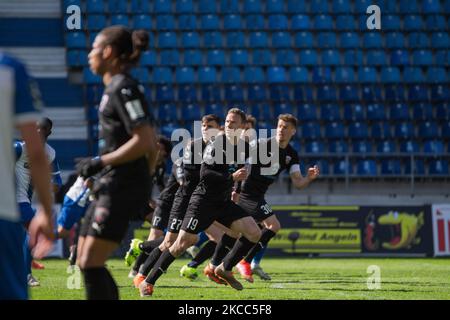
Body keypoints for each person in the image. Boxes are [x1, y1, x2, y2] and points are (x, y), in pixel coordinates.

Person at [138, 107, 262, 296]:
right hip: (203, 201)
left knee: (254, 232)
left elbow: (242, 169)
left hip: (222, 202)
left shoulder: (244, 147)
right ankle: (148, 281)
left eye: (233, 122)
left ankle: (224, 268)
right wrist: (232, 179)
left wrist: (237, 186)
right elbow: (206, 173)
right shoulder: (216, 142)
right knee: (180, 244)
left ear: (243, 126)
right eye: (227, 121)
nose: (228, 125)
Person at [75, 26, 157, 300]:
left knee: (90, 261)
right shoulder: (113, 87)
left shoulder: (124, 87)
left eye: (94, 48)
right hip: (112, 182)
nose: (89, 55)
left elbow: (145, 140)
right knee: (84, 260)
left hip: (121, 185)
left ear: (108, 52)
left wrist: (100, 162)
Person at [133, 114, 225, 287]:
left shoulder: (220, 149)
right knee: (169, 242)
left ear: (218, 129)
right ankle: (141, 273)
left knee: (215, 237)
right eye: (203, 125)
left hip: (202, 202)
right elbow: (195, 177)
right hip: (184, 201)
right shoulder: (193, 146)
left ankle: (207, 267)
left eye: (210, 125)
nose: (205, 128)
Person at [233, 114, 320, 282]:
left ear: (293, 131)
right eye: (279, 126)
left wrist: (309, 178)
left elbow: (298, 183)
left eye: (286, 127)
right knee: (272, 225)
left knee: (244, 233)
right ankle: (244, 261)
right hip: (247, 193)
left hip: (258, 195)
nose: (281, 129)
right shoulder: (262, 145)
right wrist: (235, 189)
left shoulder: (291, 155)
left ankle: (220, 265)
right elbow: (240, 161)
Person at [0, 53, 54, 300]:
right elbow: (34, 152)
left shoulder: (48, 151)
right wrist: (46, 209)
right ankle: (27, 273)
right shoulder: (10, 69)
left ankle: (28, 271)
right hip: (8, 206)